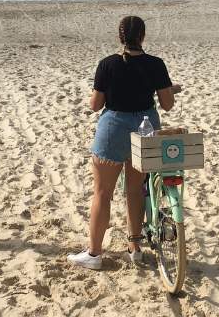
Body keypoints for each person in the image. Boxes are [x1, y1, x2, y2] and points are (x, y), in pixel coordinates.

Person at [68, 15, 180, 270]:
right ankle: (134, 247)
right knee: (135, 190)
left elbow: (95, 105)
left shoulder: (107, 64)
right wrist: (169, 89)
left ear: (120, 37)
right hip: (146, 127)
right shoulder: (156, 64)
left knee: (102, 193)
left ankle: (95, 254)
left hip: (114, 128)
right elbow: (167, 104)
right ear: (143, 36)